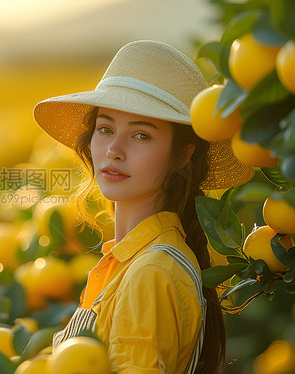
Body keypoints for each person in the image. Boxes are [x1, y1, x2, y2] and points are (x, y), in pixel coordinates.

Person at [33, 40, 254, 373]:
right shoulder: (135, 259)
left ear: (183, 154)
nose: (114, 150)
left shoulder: (151, 273)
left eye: (141, 135)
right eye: (105, 128)